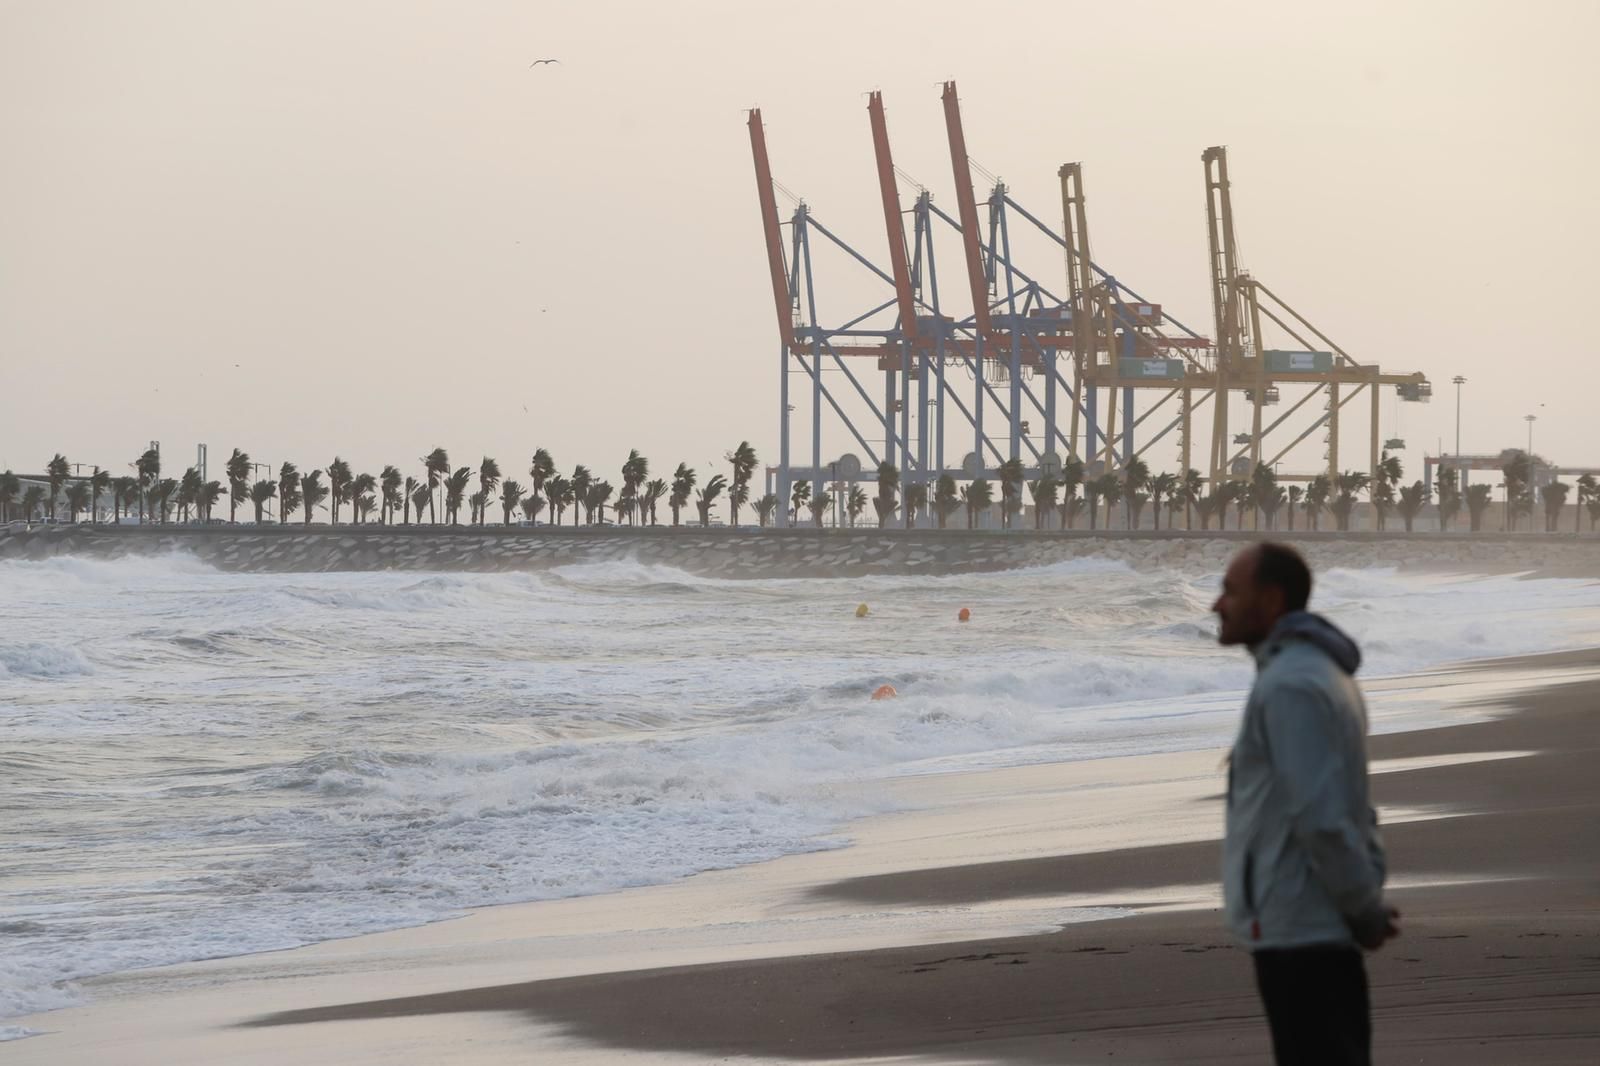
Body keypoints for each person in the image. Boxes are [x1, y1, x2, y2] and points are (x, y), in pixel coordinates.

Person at [1213, 542, 1399, 1066]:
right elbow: (1348, 807)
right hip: (1310, 924)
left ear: (1271, 601)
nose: (1216, 605)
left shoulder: (1292, 685)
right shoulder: (1317, 674)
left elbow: (1322, 819)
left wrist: (1364, 910)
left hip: (1303, 929)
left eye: (1230, 591)